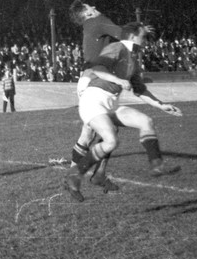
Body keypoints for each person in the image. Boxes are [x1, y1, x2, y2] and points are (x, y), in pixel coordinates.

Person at [64, 22, 183, 202]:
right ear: (133, 36)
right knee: (111, 140)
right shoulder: (117, 47)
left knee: (146, 121)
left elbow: (140, 90)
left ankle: (157, 166)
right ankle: (75, 175)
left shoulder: (132, 59)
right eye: (143, 36)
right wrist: (118, 80)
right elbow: (98, 69)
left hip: (111, 104)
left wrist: (161, 105)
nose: (146, 40)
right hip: (94, 100)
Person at [66, 0, 123, 191]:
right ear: (88, 13)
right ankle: (97, 175)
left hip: (86, 79)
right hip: (96, 80)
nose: (95, 7)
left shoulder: (89, 25)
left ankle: (75, 177)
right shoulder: (98, 21)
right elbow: (123, 34)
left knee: (88, 133)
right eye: (91, 7)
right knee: (110, 131)